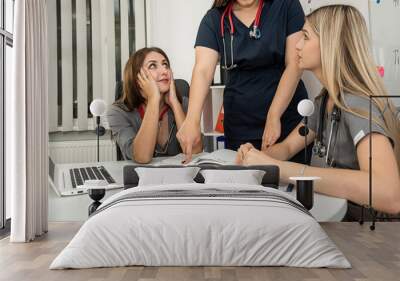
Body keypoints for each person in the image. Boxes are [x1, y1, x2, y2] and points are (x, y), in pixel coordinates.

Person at [237, 5, 400, 215]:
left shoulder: (358, 104)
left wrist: (283, 170)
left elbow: (389, 194)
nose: (297, 45)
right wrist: (257, 157)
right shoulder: (325, 100)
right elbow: (287, 148)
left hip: (360, 234)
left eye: (305, 36)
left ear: (330, 45)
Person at [177, 0, 309, 163]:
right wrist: (192, 120)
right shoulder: (214, 19)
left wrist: (274, 115)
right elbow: (203, 71)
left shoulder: (285, 5)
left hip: (285, 119)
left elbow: (295, 64)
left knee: (290, 183)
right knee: (244, 182)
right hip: (240, 124)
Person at [107, 47, 203, 163]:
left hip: (180, 178)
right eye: (153, 66)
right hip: (139, 179)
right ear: (137, 77)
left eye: (165, 65)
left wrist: (175, 104)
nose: (164, 71)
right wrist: (153, 99)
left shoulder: (184, 104)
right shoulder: (118, 112)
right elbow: (142, 157)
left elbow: (195, 152)